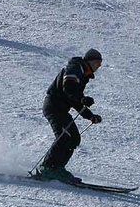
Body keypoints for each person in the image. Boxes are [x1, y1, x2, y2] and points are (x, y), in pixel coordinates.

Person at [31, 48, 104, 183]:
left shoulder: (83, 75)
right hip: (53, 106)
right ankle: (48, 167)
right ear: (90, 60)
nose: (99, 66)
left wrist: (90, 116)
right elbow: (69, 88)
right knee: (64, 136)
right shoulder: (75, 68)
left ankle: (58, 168)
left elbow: (74, 100)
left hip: (61, 109)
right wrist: (82, 99)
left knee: (74, 138)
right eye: (97, 62)